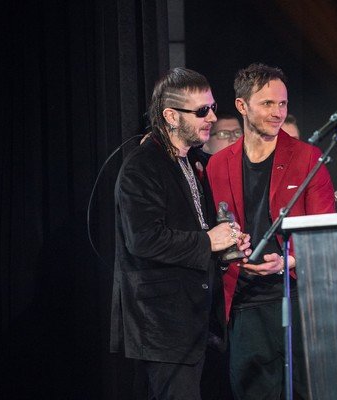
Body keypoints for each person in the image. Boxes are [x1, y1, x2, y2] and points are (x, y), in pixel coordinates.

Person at [110, 67, 250, 400]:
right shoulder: (142, 165)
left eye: (212, 107)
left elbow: (196, 229)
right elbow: (144, 239)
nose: (212, 117)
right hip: (162, 324)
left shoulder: (192, 161)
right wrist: (209, 241)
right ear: (171, 116)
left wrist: (227, 245)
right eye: (202, 111)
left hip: (196, 321)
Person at [206, 63, 335, 399]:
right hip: (244, 305)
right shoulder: (217, 164)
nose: (278, 112)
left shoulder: (309, 158)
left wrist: (287, 261)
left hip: (296, 301)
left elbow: (326, 234)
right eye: (267, 103)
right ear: (241, 105)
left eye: (283, 103)